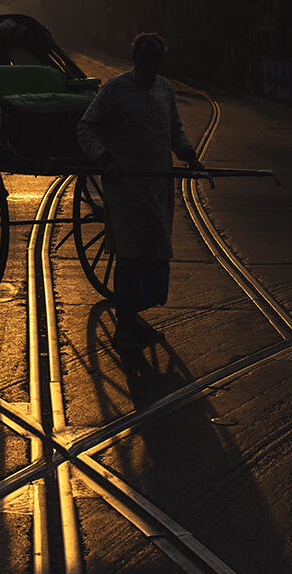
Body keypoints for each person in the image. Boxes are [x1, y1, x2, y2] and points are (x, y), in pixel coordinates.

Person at [77, 32, 201, 350]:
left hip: (158, 187)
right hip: (125, 187)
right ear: (134, 58)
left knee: (154, 251)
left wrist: (188, 153)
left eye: (155, 59)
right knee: (130, 254)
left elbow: (174, 130)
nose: (150, 65)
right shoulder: (115, 89)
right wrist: (104, 157)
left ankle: (135, 318)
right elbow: (86, 127)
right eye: (145, 58)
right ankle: (125, 325)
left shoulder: (165, 89)